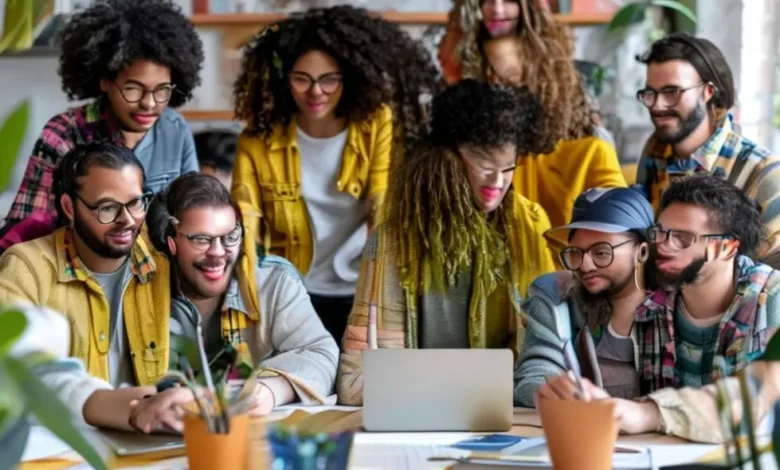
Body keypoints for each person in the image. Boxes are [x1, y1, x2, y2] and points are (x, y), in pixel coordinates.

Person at [337, 80, 557, 405]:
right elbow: (356, 383)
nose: (498, 182)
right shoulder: (392, 240)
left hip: (498, 411)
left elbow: (542, 356)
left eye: (508, 168)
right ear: (447, 158)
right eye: (485, 166)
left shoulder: (529, 226)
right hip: (417, 411)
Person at [231, 5, 442, 345]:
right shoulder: (257, 141)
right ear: (284, 79)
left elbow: (381, 203)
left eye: (329, 79)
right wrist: (249, 300)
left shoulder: (375, 124)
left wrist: (379, 292)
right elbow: (245, 219)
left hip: (362, 289)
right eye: (302, 79)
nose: (316, 92)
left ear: (350, 78)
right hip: (293, 292)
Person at [539, 174, 780, 443]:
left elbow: (758, 399)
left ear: (726, 248)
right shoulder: (652, 308)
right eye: (660, 233)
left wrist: (648, 413)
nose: (664, 246)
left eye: (683, 238)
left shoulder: (771, 299)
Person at [0, 142, 174, 431]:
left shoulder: (162, 259)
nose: (127, 220)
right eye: (107, 208)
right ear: (69, 207)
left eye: (135, 203)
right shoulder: (27, 266)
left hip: (150, 435)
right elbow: (13, 367)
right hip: (65, 439)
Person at [137, 172, 338, 422]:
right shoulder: (139, 288)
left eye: (230, 236)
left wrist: (269, 391)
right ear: (170, 242)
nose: (218, 252)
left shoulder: (272, 281)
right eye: (201, 239)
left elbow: (322, 354)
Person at [1, 0, 203, 239]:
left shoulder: (174, 129)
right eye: (133, 89)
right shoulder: (65, 133)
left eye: (162, 90)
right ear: (104, 81)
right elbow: (27, 230)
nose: (149, 103)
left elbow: (193, 215)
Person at [437, 0, 625, 230]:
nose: (498, 90)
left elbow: (623, 225)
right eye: (488, 78)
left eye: (509, 80)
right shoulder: (464, 157)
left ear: (542, 80)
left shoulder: (591, 152)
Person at [634, 32, 780, 266]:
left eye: (672, 92)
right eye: (651, 93)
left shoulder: (764, 173)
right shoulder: (654, 154)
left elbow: (774, 275)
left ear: (708, 91)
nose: (658, 105)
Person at [514, 187, 654, 407]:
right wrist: (553, 390)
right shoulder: (556, 297)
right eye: (575, 253)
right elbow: (535, 370)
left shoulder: (676, 307)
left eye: (601, 253)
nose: (585, 266)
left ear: (642, 252)